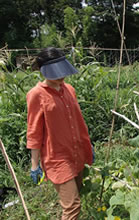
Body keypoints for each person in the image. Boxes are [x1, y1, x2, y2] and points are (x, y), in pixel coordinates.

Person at [26, 47, 93, 220]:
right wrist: (35, 165)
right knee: (72, 207)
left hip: (76, 152)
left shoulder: (69, 89)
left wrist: (88, 145)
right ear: (43, 70)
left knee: (76, 195)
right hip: (57, 157)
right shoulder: (36, 95)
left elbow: (79, 121)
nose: (61, 76)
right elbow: (34, 131)